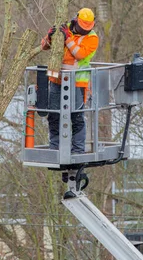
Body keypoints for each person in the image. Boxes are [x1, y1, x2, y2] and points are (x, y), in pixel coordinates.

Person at [41, 8, 99, 153]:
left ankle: (78, 149)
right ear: (76, 20)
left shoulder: (92, 38)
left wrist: (67, 38)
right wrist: (49, 37)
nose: (84, 30)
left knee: (76, 116)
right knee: (53, 114)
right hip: (57, 78)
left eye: (87, 27)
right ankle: (54, 146)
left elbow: (79, 54)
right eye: (82, 27)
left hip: (77, 82)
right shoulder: (65, 29)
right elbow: (44, 47)